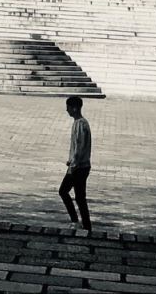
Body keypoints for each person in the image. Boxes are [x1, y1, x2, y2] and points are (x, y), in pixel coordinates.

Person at [59, 95, 92, 231]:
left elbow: (79, 147)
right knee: (79, 197)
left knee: (63, 191)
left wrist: (73, 164)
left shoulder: (79, 124)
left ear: (74, 108)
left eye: (68, 108)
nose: (67, 110)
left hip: (78, 167)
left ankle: (76, 220)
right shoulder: (83, 123)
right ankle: (86, 224)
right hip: (83, 165)